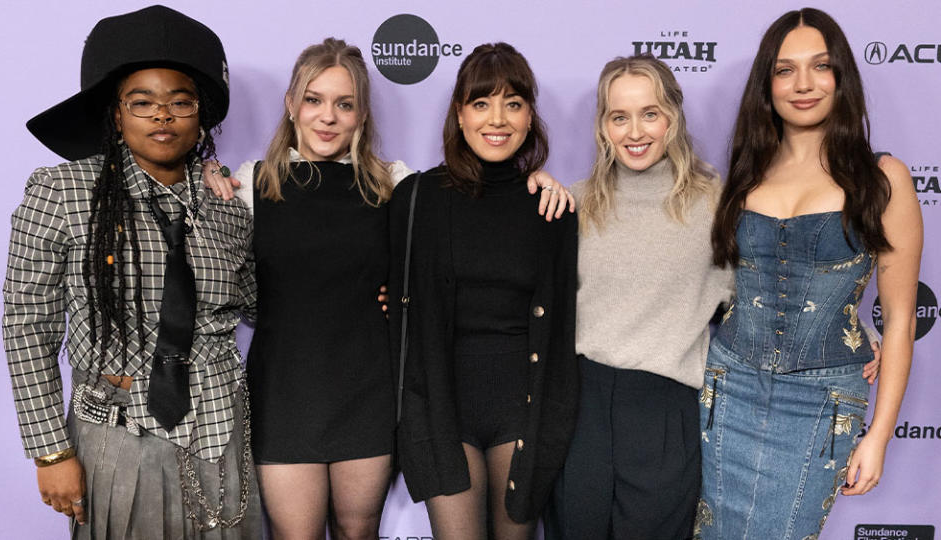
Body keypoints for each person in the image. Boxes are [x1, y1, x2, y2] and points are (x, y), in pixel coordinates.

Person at [200, 38, 574, 540]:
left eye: (345, 103)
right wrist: (203, 173)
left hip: (368, 392)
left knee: (361, 531)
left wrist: (541, 179)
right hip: (284, 392)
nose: (328, 116)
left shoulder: (393, 186)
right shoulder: (252, 186)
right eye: (314, 99)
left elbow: (476, 205)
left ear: (362, 114)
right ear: (291, 105)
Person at [3, 5, 260, 538]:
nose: (162, 116)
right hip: (116, 437)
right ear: (116, 115)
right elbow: (28, 326)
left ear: (201, 116)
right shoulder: (64, 192)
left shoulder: (228, 207)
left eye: (180, 102)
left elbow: (259, 303)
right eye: (142, 103)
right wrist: (51, 451)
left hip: (220, 434)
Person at [698, 8, 922, 539]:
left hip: (822, 403)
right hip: (726, 389)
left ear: (841, 77)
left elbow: (900, 317)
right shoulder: (744, 174)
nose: (803, 84)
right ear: (767, 84)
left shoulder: (883, 178)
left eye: (820, 67)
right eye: (784, 69)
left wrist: (880, 436)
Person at [388, 42, 578, 540]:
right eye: (481, 103)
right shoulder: (417, 198)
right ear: (459, 112)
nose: (498, 119)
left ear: (530, 114)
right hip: (439, 403)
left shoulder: (551, 207)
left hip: (524, 406)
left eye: (513, 104)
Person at [544, 55, 731, 540]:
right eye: (618, 116)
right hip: (578, 406)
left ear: (673, 116)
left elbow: (770, 296)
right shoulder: (573, 203)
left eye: (650, 113)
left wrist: (847, 334)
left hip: (665, 409)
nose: (634, 131)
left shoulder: (718, 204)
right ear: (603, 127)